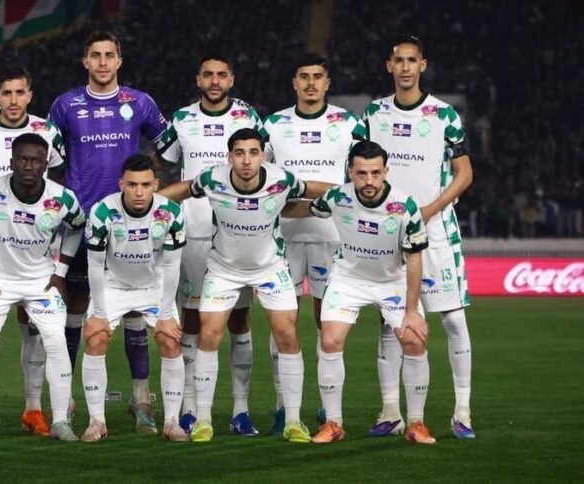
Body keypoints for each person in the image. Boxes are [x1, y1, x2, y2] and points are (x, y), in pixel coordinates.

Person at [159, 128, 331, 443]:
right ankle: (204, 420)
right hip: (224, 269)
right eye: (239, 153)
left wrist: (349, 191)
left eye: (253, 152)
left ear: (262, 155)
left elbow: (311, 188)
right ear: (230, 157)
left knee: (287, 336)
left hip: (270, 268)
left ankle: (293, 420)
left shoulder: (281, 179)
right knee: (208, 335)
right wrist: (151, 200)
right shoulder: (213, 179)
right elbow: (185, 188)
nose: (246, 160)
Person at [48, 30, 169, 433]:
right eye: (95, 55)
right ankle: (66, 399)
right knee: (77, 308)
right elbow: (48, 160)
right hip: (81, 224)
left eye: (109, 55)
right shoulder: (65, 105)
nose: (102, 62)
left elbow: (169, 149)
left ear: (119, 60)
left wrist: (155, 190)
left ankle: (141, 398)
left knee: (134, 308)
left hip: (131, 223)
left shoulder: (140, 102)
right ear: (85, 61)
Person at [282, 140, 436, 445]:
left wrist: (411, 311)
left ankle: (416, 423)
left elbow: (415, 259)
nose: (369, 181)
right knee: (330, 339)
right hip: (349, 279)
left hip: (392, 280)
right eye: (362, 173)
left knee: (413, 339)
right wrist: (269, 207)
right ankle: (333, 423)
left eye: (376, 173)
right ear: (350, 172)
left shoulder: (405, 206)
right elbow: (306, 208)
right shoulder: (338, 197)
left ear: (386, 171)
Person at [363, 35, 475, 439]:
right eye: (399, 60)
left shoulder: (444, 115)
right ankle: (391, 411)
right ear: (389, 66)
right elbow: (360, 170)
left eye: (412, 60)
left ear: (422, 65)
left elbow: (465, 173)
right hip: (390, 236)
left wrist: (430, 209)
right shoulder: (374, 113)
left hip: (437, 231)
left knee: (454, 320)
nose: (406, 67)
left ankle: (462, 412)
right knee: (390, 323)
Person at [157, 53, 264, 435]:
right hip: (194, 232)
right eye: (208, 75)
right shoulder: (182, 119)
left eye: (222, 75)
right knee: (190, 319)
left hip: (238, 232)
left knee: (239, 320)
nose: (215, 81)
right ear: (198, 79)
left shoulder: (249, 118)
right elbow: (167, 165)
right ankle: (188, 405)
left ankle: (240, 410)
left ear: (231, 79)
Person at [0, 133, 84, 443]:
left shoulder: (62, 198)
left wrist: (61, 272)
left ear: (45, 164)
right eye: (23, 159)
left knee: (56, 341)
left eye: (36, 160)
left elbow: (77, 227)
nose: (29, 166)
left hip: (42, 280)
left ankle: (60, 421)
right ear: (12, 161)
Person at [263, 52, 367, 432]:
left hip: (332, 239)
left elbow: (361, 177)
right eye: (304, 76)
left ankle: (327, 407)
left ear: (327, 82)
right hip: (282, 240)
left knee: (329, 325)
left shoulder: (348, 124)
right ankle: (282, 406)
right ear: (294, 82)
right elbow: (262, 179)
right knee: (282, 326)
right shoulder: (273, 125)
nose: (310, 83)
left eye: (317, 76)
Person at [0, 67, 65, 435]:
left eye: (20, 92)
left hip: (34, 248)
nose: (14, 100)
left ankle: (33, 409)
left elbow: (57, 186)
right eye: (6, 93)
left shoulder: (48, 132)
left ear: (30, 95)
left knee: (34, 331)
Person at [80, 154, 187, 443]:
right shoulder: (103, 211)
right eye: (132, 185)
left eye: (145, 185)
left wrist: (166, 315)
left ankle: (172, 422)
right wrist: (99, 313)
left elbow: (172, 266)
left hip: (153, 285)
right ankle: (96, 422)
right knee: (96, 338)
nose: (139, 192)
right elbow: (94, 265)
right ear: (121, 184)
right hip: (114, 285)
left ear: (156, 185)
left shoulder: (172, 213)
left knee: (169, 340)